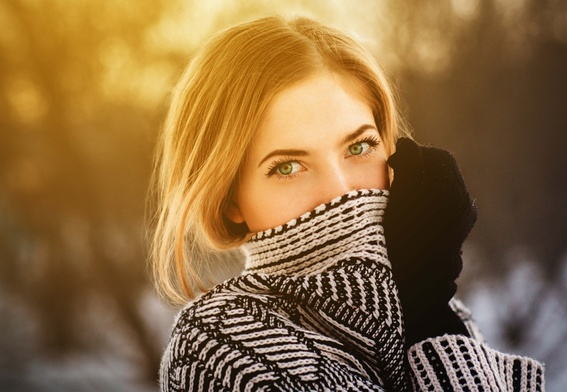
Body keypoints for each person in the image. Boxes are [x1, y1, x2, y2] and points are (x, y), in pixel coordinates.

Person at [151, 15, 544, 391]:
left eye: (359, 147)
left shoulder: (450, 311)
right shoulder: (218, 347)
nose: (340, 190)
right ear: (228, 197)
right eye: (288, 166)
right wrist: (428, 314)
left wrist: (429, 306)